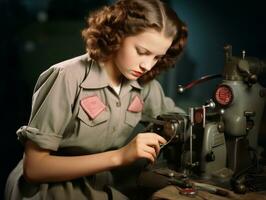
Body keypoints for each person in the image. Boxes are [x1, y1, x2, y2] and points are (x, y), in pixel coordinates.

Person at [5, 0, 188, 199]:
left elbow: (177, 119)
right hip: (49, 189)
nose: (147, 65)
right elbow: (35, 168)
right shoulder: (66, 77)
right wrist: (121, 156)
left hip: (101, 184)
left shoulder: (144, 85)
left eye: (156, 57)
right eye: (142, 52)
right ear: (117, 35)